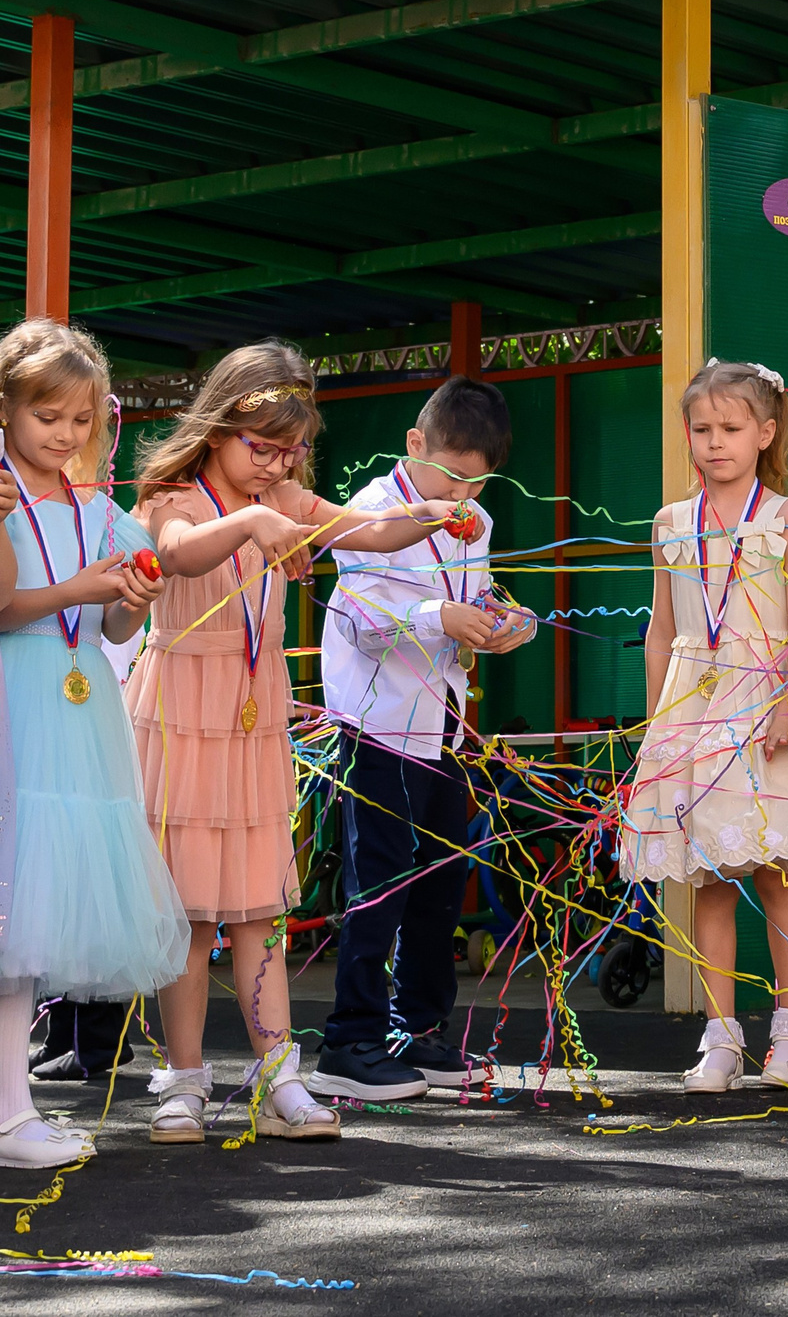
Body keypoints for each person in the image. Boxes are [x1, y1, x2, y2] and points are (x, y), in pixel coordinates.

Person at [130, 341, 472, 1145]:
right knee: (185, 912)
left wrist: (427, 513)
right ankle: (182, 1080)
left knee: (257, 908)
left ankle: (278, 1074)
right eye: (263, 447)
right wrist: (254, 519)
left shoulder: (283, 494)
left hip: (253, 713)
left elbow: (368, 532)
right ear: (217, 428)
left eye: (291, 452)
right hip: (184, 714)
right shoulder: (174, 498)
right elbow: (176, 555)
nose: (276, 465)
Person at [619, 359, 788, 1092]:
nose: (715, 442)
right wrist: (657, 732)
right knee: (705, 874)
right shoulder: (671, 522)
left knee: (774, 871)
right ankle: (720, 1038)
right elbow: (661, 629)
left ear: (765, 433)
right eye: (701, 429)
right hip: (692, 712)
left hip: (766, 705)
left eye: (731, 428)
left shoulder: (784, 517)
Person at [309, 378, 538, 1104]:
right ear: (415, 445)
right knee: (377, 881)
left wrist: (504, 622)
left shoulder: (479, 520)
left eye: (480, 480)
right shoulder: (370, 513)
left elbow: (474, 597)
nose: (464, 492)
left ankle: (417, 1026)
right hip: (375, 725)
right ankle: (351, 1039)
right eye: (453, 473)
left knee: (441, 878)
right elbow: (361, 618)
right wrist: (444, 616)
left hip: (442, 723)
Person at [0, 319, 186, 1168]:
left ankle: (14, 1107)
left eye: (80, 421)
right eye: (47, 416)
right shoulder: (2, 495)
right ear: (6, 409)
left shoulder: (95, 508)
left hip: (76, 710)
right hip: (17, 703)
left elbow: (110, 621)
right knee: (12, 907)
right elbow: (4, 608)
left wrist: (130, 599)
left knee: (27, 927)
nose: (65, 436)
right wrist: (84, 585)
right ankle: (10, 1113)